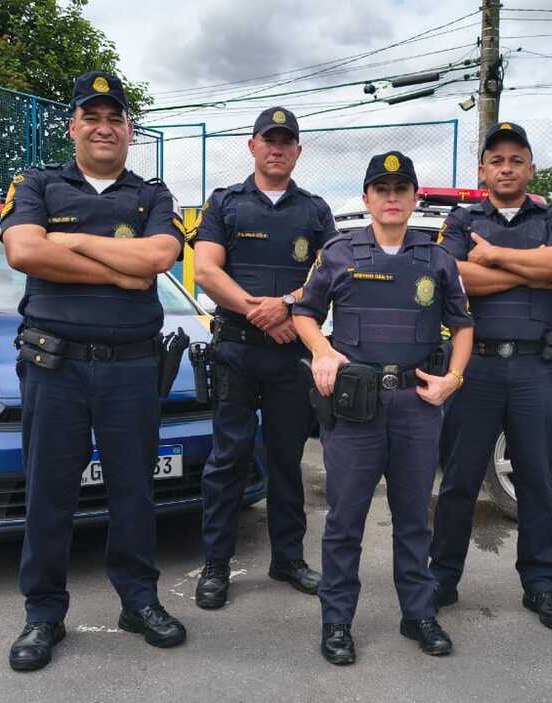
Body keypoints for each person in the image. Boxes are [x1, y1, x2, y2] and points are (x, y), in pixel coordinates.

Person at [0, 71, 188, 672]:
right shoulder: (37, 183)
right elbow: (23, 250)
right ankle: (43, 614)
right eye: (92, 117)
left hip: (132, 368)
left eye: (115, 119)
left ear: (129, 131)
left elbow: (159, 256)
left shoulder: (153, 194)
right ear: (73, 126)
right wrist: (118, 271)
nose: (104, 128)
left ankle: (139, 601)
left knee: (134, 491)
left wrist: (70, 243)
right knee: (49, 494)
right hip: (54, 367)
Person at [293, 151, 473, 665]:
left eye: (401, 189)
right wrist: (322, 351)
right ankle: (336, 622)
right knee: (345, 521)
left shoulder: (438, 259)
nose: (392, 198)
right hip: (357, 408)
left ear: (415, 198)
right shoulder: (338, 253)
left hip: (417, 405)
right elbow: (304, 312)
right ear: (367, 198)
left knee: (414, 519)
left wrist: (453, 380)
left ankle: (418, 613)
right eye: (382, 189)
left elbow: (463, 325)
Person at [429, 122, 552, 630]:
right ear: (483, 171)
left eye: (516, 160)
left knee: (537, 480)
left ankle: (540, 586)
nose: (506, 168)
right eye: (497, 160)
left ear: (530, 168)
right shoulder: (462, 218)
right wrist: (531, 271)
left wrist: (494, 256)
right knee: (460, 479)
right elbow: (452, 274)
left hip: (536, 368)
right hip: (477, 367)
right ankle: (442, 578)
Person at [190, 106, 337, 609]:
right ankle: (216, 564)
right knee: (227, 461)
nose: (277, 149)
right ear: (252, 146)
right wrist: (260, 313)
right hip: (236, 350)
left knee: (287, 462)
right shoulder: (224, 203)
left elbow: (330, 274)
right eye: (268, 140)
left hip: (290, 355)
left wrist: (288, 305)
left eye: (286, 141)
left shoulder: (315, 211)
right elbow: (206, 272)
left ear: (298, 150)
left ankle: (288, 559)